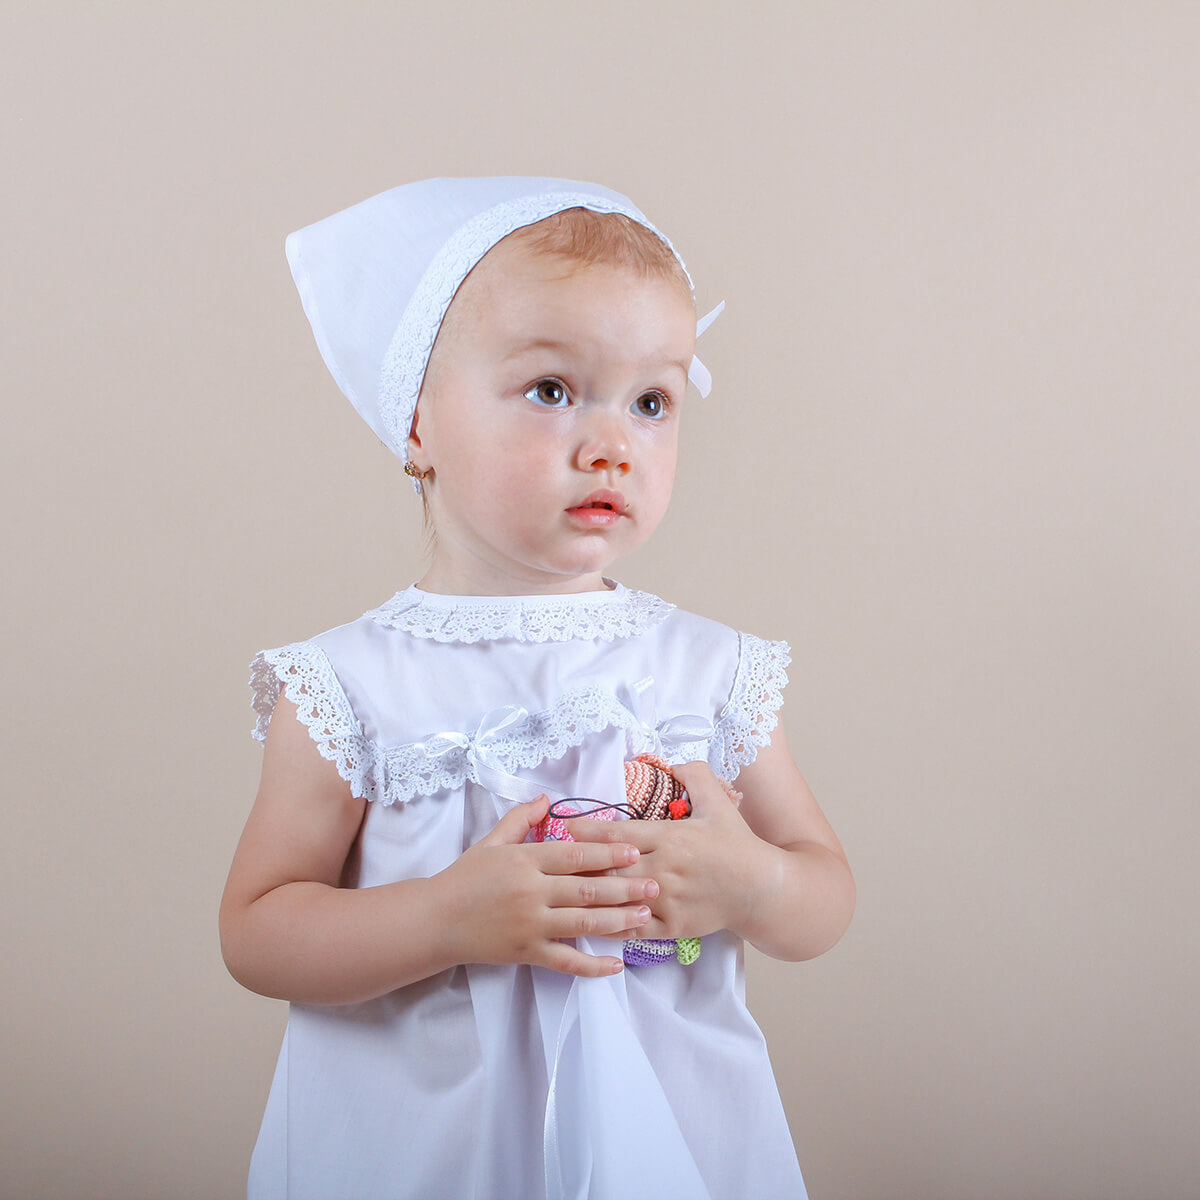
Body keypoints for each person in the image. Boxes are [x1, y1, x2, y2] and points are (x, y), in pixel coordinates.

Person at [220, 176, 855, 1200]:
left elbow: (824, 893)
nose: (612, 442)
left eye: (652, 401)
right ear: (417, 423)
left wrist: (754, 885)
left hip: (666, 1133)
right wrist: (442, 917)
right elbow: (257, 928)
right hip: (425, 1148)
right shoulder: (351, 683)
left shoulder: (705, 669)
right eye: (553, 390)